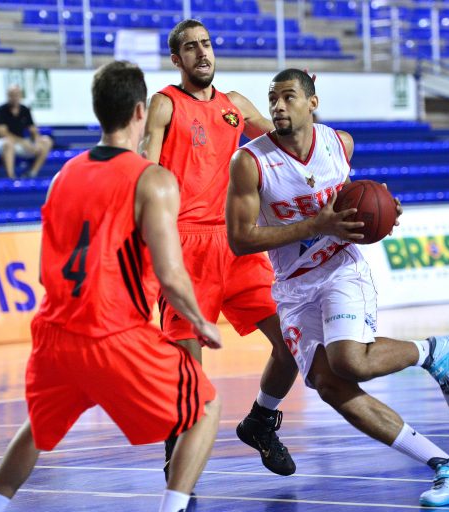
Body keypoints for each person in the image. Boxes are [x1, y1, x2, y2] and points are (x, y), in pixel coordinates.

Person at [225, 68, 449, 507]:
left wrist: (382, 210)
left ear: (312, 103)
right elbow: (240, 239)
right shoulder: (250, 162)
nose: (278, 106)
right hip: (293, 287)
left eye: (288, 97)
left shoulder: (339, 144)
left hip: (340, 269)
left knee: (349, 361)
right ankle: (447, 466)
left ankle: (431, 351)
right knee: (330, 385)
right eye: (273, 99)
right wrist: (314, 224)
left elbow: (352, 199)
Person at [0, 61, 222, 512]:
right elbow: (171, 274)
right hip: (114, 334)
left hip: (54, 335)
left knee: (37, 429)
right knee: (205, 407)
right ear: (140, 112)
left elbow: (44, 270)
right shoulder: (152, 179)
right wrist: (200, 321)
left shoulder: (62, 176)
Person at [142, 18, 299, 478]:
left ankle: (261, 420)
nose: (202, 52)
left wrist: (304, 106)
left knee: (293, 343)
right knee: (189, 369)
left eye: (206, 44)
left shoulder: (234, 105)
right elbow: (142, 169)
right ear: (177, 59)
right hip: (185, 245)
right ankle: (178, 448)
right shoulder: (164, 104)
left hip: (236, 242)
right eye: (191, 47)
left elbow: (288, 142)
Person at [0, 85, 53, 178]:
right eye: (12, 95)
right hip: (1, 143)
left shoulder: (25, 110)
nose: (14, 97)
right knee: (8, 143)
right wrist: (23, 142)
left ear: (20, 95)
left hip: (19, 143)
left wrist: (36, 141)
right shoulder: (1, 110)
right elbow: (2, 133)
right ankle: (11, 177)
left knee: (46, 141)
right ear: (8, 95)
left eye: (16, 94)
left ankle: (32, 173)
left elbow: (33, 129)